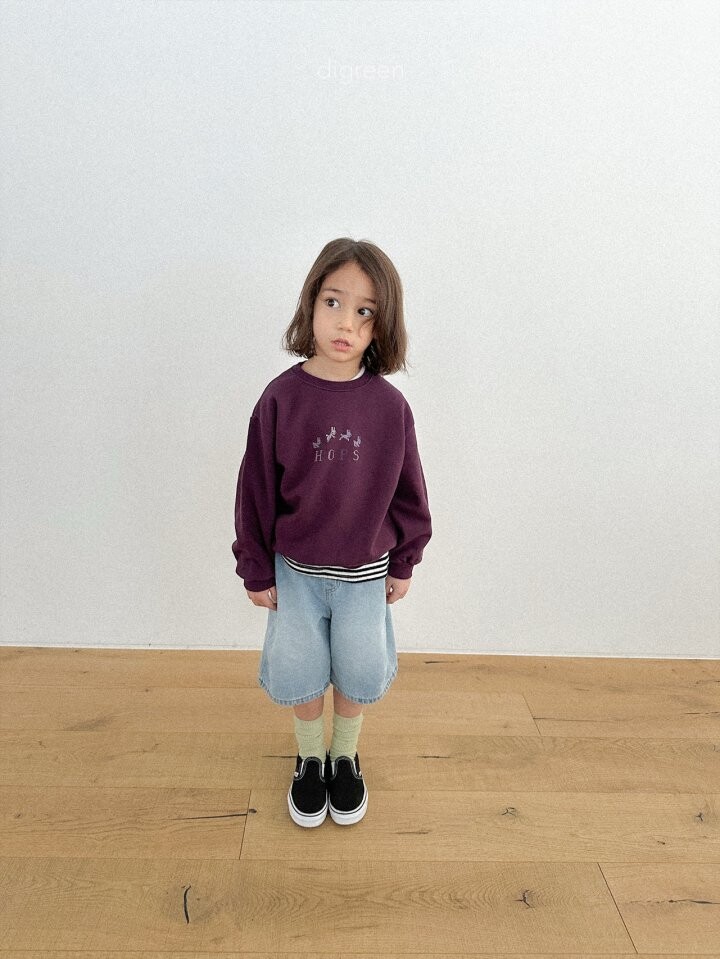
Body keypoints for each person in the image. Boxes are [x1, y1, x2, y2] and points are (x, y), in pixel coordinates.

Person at [232, 237, 432, 828]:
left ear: (382, 324)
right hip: (295, 574)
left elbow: (410, 490)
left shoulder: (390, 408)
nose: (346, 322)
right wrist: (255, 568)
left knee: (357, 667)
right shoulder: (280, 399)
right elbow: (255, 490)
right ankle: (309, 759)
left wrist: (405, 560)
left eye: (365, 310)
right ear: (311, 304)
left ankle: (343, 755)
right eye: (333, 302)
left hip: (366, 576)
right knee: (299, 670)